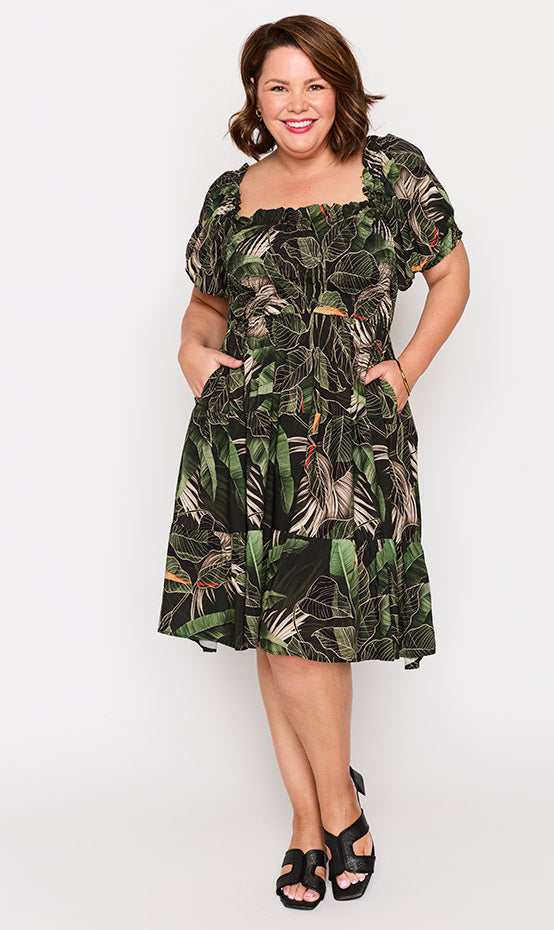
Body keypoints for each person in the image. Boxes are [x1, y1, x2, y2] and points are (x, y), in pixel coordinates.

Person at [157, 14, 470, 910]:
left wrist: (406, 371)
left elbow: (451, 276)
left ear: (341, 90)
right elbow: (207, 308)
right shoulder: (232, 194)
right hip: (243, 434)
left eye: (314, 85)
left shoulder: (390, 172)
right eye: (277, 87)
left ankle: (339, 807)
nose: (296, 104)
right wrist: (192, 351)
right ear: (254, 98)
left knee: (308, 629)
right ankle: (311, 819)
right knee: (274, 629)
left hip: (346, 438)